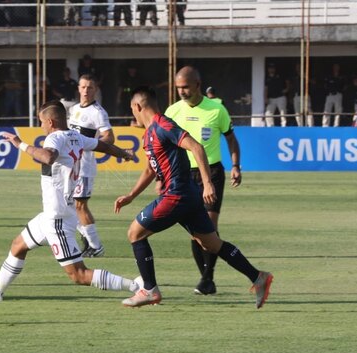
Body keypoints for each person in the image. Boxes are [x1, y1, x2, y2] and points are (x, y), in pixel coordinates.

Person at [115, 86, 273, 308]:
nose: (133, 114)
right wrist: (131, 195)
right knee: (210, 244)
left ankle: (149, 290)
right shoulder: (149, 133)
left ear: (138, 106)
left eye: (132, 110)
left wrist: (208, 183)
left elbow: (196, 147)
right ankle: (259, 278)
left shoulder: (164, 125)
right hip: (187, 196)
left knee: (135, 233)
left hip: (177, 194)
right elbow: (151, 169)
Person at [0, 100, 139, 302]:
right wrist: (123, 153)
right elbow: (102, 145)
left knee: (79, 275)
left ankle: (136, 286)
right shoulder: (76, 137)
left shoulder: (55, 138)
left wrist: (20, 144)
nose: (41, 126)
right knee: (18, 246)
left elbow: (48, 157)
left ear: (50, 121)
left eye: (41, 122)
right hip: (50, 214)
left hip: (57, 218)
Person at [165, 66, 242, 296]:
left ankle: (207, 278)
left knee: (209, 226)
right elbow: (166, 145)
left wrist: (236, 166)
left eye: (186, 87)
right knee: (195, 232)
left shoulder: (217, 110)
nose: (182, 91)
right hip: (183, 174)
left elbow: (231, 140)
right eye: (178, 88)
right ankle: (207, 278)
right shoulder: (172, 111)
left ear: (198, 85)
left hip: (212, 173)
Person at [68, 74, 114, 257]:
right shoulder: (73, 109)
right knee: (69, 206)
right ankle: (88, 240)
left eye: (90, 87)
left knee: (80, 206)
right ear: (78, 88)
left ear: (95, 90)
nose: (86, 91)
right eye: (83, 87)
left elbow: (109, 137)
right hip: (71, 167)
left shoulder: (98, 112)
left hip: (85, 168)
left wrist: (90, 143)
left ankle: (96, 246)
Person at [264, 62, 289, 127]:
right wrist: (265, 98)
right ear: (268, 69)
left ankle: (284, 126)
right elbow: (266, 88)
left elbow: (287, 81)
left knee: (283, 112)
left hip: (281, 97)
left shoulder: (280, 75)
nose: (271, 70)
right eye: (270, 68)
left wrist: (287, 89)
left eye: (273, 68)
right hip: (271, 98)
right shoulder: (267, 78)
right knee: (268, 113)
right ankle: (270, 127)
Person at [322, 63, 346, 127]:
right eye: (335, 66)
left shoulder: (341, 76)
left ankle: (336, 125)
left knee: (338, 111)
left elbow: (344, 86)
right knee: (327, 110)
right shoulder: (329, 76)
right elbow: (325, 85)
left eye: (337, 66)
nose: (336, 68)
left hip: (338, 94)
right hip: (329, 95)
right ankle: (325, 125)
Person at [291, 63, 314, 127]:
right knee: (297, 113)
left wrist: (305, 76)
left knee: (308, 111)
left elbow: (313, 82)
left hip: (305, 95)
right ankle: (300, 126)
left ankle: (310, 126)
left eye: (299, 67)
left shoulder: (306, 73)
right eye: (297, 67)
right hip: (296, 96)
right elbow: (291, 86)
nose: (298, 68)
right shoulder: (294, 76)